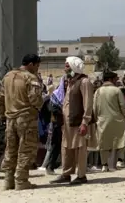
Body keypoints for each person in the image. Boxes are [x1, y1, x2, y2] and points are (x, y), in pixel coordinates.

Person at [0, 54, 44, 190]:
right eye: (37, 66)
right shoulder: (30, 78)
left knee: (10, 150)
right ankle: (21, 181)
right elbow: (35, 98)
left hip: (10, 119)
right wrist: (39, 107)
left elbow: (0, 99)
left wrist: (1, 115)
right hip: (26, 119)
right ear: (31, 64)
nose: (37, 69)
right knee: (26, 149)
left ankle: (8, 181)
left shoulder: (7, 76)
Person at [50, 56, 95, 185]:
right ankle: (66, 173)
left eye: (67, 66)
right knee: (66, 147)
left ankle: (81, 175)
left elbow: (88, 104)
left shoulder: (84, 82)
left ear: (74, 67)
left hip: (78, 122)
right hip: (67, 122)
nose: (65, 69)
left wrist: (85, 122)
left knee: (80, 148)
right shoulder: (70, 82)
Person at [93, 71, 125, 172]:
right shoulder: (116, 90)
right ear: (110, 79)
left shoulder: (98, 91)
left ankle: (104, 165)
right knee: (120, 139)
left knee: (103, 142)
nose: (116, 81)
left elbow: (94, 108)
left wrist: (96, 119)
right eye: (115, 79)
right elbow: (123, 106)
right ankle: (119, 160)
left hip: (102, 120)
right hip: (117, 120)